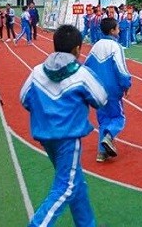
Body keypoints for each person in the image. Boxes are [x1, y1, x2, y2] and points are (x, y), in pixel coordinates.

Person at [20, 25, 107, 227]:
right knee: (66, 187)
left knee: (76, 182)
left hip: (45, 136)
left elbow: (24, 98)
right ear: (77, 49)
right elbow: (101, 98)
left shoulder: (37, 71)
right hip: (68, 138)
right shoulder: (81, 74)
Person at [84, 17, 132, 163]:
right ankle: (109, 136)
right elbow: (121, 69)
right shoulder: (115, 46)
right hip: (112, 89)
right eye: (117, 28)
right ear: (112, 31)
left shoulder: (95, 46)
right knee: (118, 117)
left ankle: (102, 152)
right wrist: (126, 84)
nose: (119, 30)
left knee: (104, 119)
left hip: (98, 89)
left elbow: (86, 66)